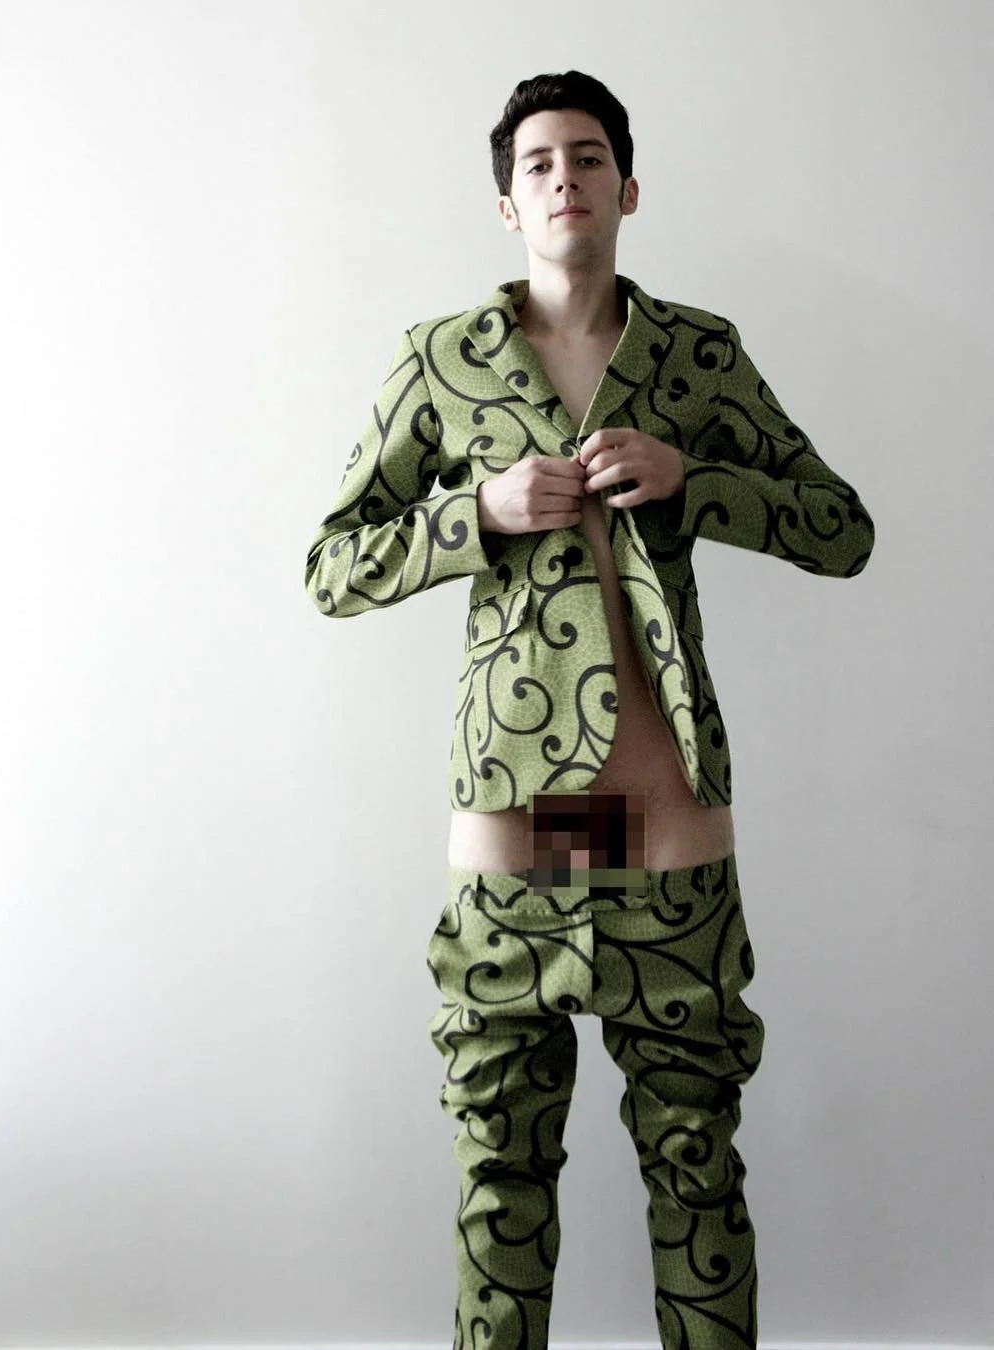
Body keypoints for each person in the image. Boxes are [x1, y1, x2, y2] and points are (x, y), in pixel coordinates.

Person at [304, 69, 875, 1350]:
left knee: (697, 1173)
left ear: (629, 188)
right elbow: (331, 568)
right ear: (508, 204)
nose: (566, 177)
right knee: (498, 1183)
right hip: (518, 845)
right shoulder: (441, 361)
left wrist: (692, 481)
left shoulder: (698, 355)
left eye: (589, 157)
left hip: (669, 841)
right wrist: (478, 512)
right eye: (540, 163)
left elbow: (843, 530)